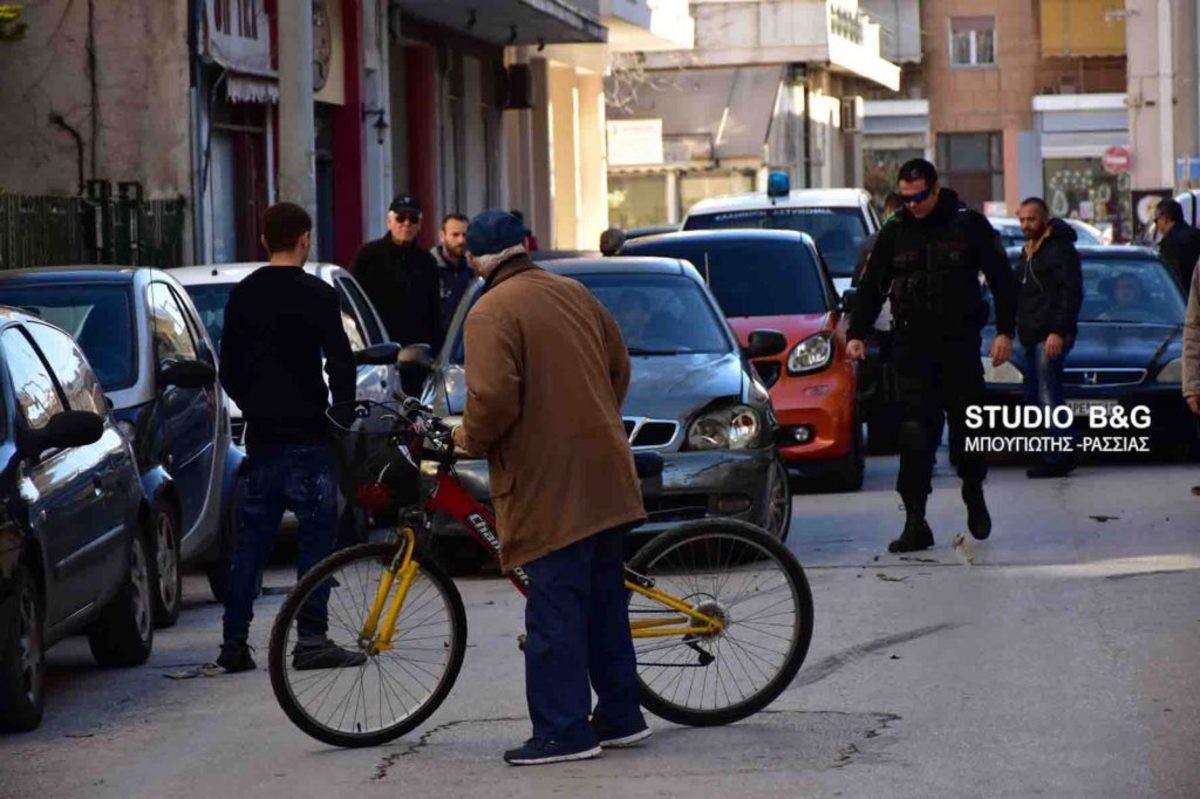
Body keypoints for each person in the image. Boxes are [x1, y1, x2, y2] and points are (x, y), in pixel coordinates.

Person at [452, 210, 648, 766]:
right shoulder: (573, 291)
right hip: (606, 471)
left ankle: (564, 730)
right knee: (604, 602)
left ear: (477, 261)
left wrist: (466, 439)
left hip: (549, 481)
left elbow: (490, 401)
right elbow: (619, 367)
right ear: (523, 248)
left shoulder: (490, 310)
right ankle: (620, 715)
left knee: (555, 610)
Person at [215, 202, 364, 673]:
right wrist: (340, 415)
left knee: (250, 549)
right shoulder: (318, 294)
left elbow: (229, 369)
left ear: (264, 240)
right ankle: (311, 639)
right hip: (308, 436)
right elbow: (341, 361)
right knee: (317, 544)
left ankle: (234, 644)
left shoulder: (244, 295)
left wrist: (255, 403)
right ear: (305, 239)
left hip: (262, 441)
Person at [848, 159, 1017, 553]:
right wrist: (857, 332)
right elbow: (873, 286)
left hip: (958, 347)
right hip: (911, 351)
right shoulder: (894, 232)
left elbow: (1002, 280)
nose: (913, 205)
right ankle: (915, 522)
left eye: (920, 196)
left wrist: (1006, 332)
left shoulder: (968, 225)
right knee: (913, 437)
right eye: (906, 198)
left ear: (936, 188)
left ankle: (973, 490)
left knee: (970, 433)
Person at [1014, 197, 1083, 478]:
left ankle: (1060, 455)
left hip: (1050, 334)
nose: (1025, 225)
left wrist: (1058, 330)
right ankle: (1053, 451)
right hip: (1031, 334)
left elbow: (1070, 293)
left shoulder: (1059, 249)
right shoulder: (1030, 250)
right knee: (1035, 396)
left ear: (1044, 219)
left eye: (1031, 219)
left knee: (1048, 395)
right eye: (1022, 219)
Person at [350, 193, 440, 395]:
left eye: (413, 219)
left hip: (417, 360)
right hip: (374, 357)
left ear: (420, 225)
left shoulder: (427, 262)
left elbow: (435, 312)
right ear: (389, 221)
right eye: (401, 218)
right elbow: (353, 306)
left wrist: (435, 352)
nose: (406, 224)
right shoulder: (367, 256)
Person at [431, 212, 474, 350]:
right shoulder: (428, 270)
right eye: (455, 235)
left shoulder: (471, 272)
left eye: (465, 235)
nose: (461, 240)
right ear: (442, 236)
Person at [1155, 198, 1200, 291]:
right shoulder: (1197, 234)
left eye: (1156, 220)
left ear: (1165, 219)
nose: (1156, 225)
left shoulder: (1169, 243)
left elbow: (1173, 280)